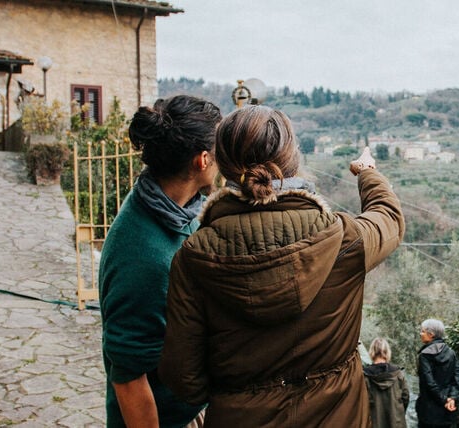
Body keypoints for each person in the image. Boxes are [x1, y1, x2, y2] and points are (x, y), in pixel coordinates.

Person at [158, 105, 404, 427]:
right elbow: (389, 218)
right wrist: (367, 171)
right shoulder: (345, 239)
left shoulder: (193, 258)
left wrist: (232, 391)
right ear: (292, 159)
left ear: (224, 166)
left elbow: (183, 379)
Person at [98, 95, 221, 428]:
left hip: (186, 406)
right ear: (203, 159)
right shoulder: (144, 255)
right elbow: (128, 377)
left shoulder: (173, 208)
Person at [416, 318, 459, 428]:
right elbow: (458, 376)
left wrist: (444, 400)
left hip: (428, 411)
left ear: (431, 334)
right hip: (447, 410)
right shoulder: (451, 352)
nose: (420, 334)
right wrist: (452, 398)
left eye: (423, 331)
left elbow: (429, 382)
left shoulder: (424, 355)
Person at [363, 338, 410, 428]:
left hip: (374, 422)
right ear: (387, 352)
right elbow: (405, 397)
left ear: (372, 351)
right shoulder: (398, 374)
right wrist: (398, 413)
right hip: (396, 422)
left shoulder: (365, 376)